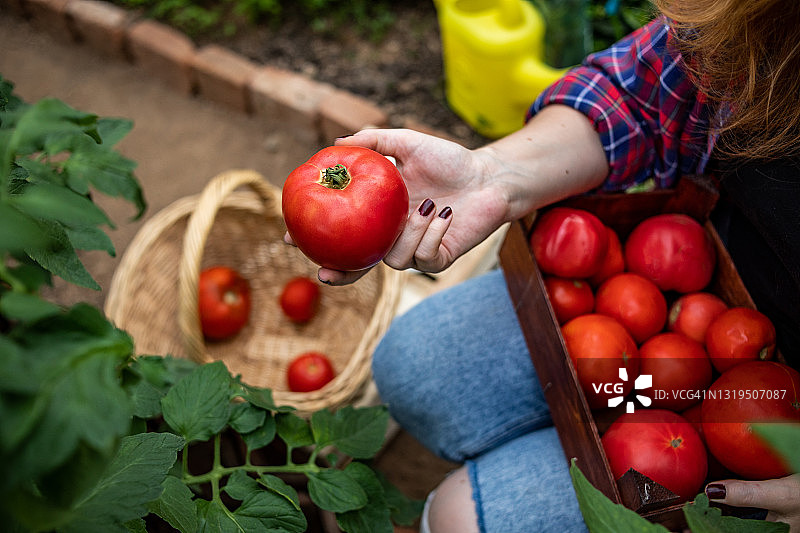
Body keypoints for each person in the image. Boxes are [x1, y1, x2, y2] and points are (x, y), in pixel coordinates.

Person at [288, 0, 800, 531]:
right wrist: (492, 176)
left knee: (460, 518)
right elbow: (642, 96)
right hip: (713, 280)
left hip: (768, 419)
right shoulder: (765, 20)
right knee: (408, 365)